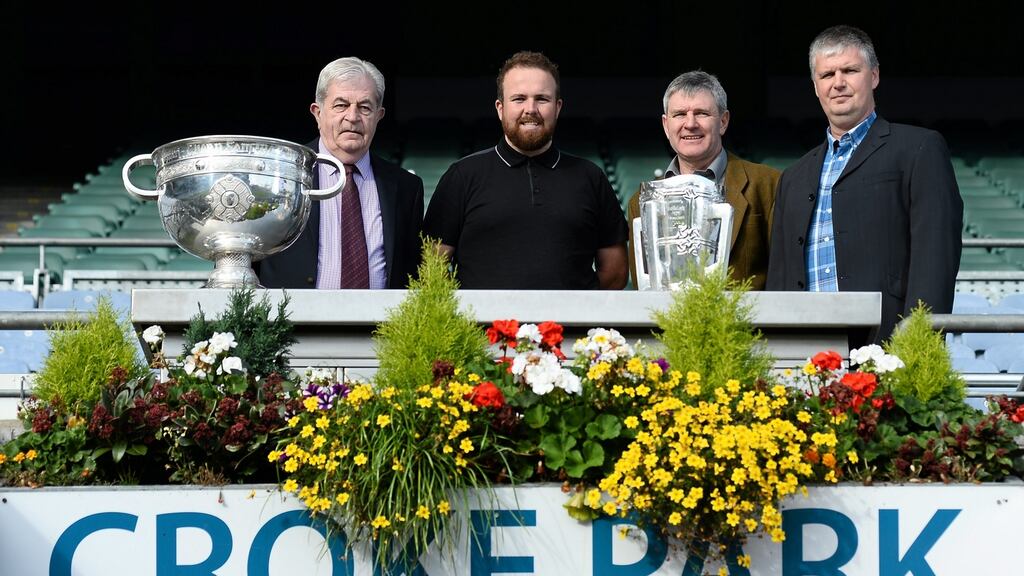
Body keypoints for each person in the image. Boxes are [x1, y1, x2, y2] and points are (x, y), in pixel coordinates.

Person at [766, 25, 963, 343]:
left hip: (888, 344)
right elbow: (780, 277)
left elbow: (936, 255)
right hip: (805, 352)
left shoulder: (918, 149)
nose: (838, 83)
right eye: (827, 75)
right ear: (816, 87)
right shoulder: (793, 176)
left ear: (873, 76)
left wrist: (918, 342)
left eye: (850, 70)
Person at [422, 51, 628, 290]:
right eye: (519, 99)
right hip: (483, 327)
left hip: (570, 327)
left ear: (558, 107)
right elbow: (431, 268)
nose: (531, 109)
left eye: (542, 99)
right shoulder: (462, 176)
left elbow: (615, 273)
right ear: (500, 108)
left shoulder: (590, 177)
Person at [257, 57, 424, 289]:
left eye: (365, 107)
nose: (353, 117)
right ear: (317, 112)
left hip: (382, 324)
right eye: (341, 105)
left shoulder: (406, 188)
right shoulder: (276, 177)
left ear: (379, 115)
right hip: (293, 322)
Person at [627, 71, 779, 290]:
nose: (690, 124)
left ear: (723, 121)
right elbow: (645, 290)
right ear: (666, 125)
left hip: (745, 323)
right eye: (679, 114)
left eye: (701, 113)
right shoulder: (641, 203)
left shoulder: (768, 184)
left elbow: (784, 275)